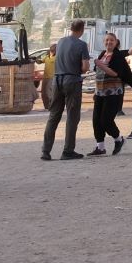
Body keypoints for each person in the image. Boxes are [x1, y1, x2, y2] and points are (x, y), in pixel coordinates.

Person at [42, 20, 90, 161]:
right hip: (72, 81)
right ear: (82, 29)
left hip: (57, 81)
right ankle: (68, 151)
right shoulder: (82, 45)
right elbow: (85, 67)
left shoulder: (61, 42)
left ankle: (46, 151)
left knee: (53, 116)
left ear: (70, 28)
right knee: (72, 117)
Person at [88, 33, 132, 157]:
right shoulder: (102, 54)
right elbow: (97, 72)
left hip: (113, 93)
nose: (109, 42)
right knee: (96, 120)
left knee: (106, 120)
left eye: (111, 40)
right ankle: (100, 147)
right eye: (107, 40)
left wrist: (100, 64)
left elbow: (114, 73)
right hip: (100, 92)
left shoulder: (117, 56)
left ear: (116, 42)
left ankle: (119, 139)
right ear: (104, 42)